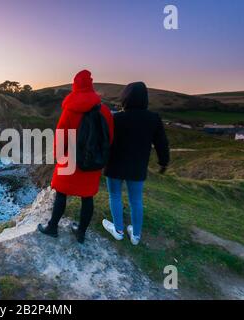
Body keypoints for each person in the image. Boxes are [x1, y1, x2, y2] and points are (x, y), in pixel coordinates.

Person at [38, 70, 114, 243]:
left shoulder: (70, 110)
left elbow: (61, 135)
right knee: (87, 198)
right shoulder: (105, 111)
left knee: (61, 194)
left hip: (70, 160)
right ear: (91, 85)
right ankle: (80, 233)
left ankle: (52, 228)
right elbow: (109, 138)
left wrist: (59, 157)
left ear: (75, 86)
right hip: (92, 161)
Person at [103, 82, 169, 245]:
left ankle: (118, 230)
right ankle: (136, 235)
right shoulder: (153, 119)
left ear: (125, 98)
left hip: (114, 164)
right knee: (136, 200)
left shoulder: (116, 118)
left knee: (115, 196)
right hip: (137, 166)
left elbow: (106, 141)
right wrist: (163, 162)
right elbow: (162, 143)